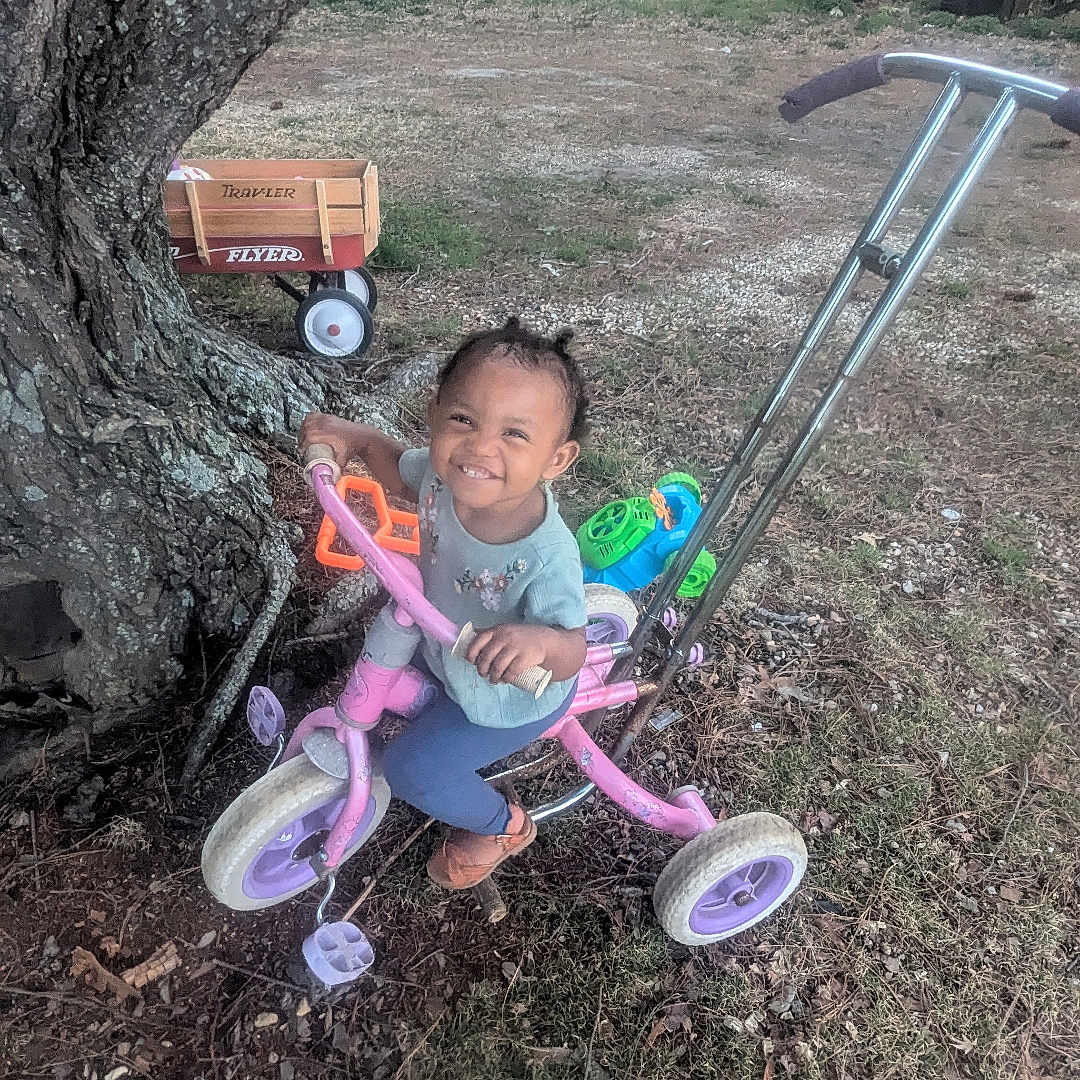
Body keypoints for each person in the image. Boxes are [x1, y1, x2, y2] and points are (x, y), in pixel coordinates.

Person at [299, 317, 590, 889]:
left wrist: (534, 643)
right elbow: (393, 465)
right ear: (436, 414)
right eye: (464, 419)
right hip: (439, 643)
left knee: (415, 770)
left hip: (502, 695)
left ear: (556, 460)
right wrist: (350, 437)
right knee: (374, 671)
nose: (480, 446)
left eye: (516, 434)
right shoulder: (442, 475)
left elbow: (572, 650)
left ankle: (499, 824)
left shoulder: (547, 555)